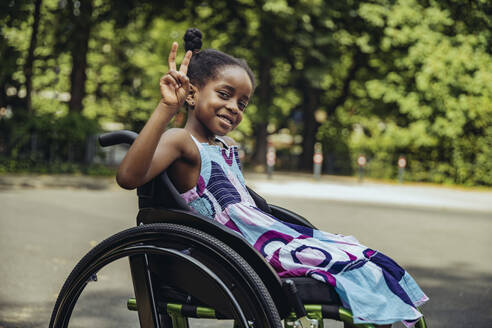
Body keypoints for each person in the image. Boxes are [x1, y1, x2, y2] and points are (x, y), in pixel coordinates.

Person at [117, 28, 428, 327]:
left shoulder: (225, 146)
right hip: (234, 251)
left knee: (367, 262)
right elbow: (129, 177)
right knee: (354, 267)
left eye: (242, 103)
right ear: (193, 93)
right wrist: (166, 107)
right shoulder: (180, 140)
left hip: (248, 241)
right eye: (224, 94)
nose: (233, 108)